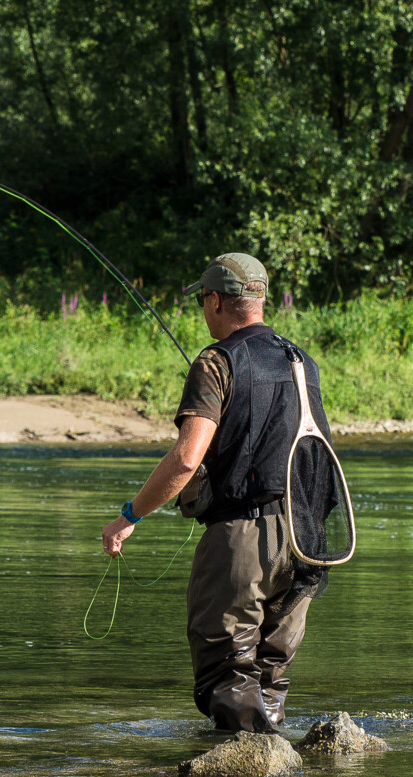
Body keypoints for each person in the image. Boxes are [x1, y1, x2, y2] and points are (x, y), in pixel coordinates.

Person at [98, 252, 329, 734]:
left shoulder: (216, 361)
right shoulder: (302, 360)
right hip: (307, 538)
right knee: (269, 674)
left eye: (204, 300)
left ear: (217, 300)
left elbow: (186, 458)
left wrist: (129, 516)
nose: (204, 310)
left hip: (244, 538)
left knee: (227, 672)